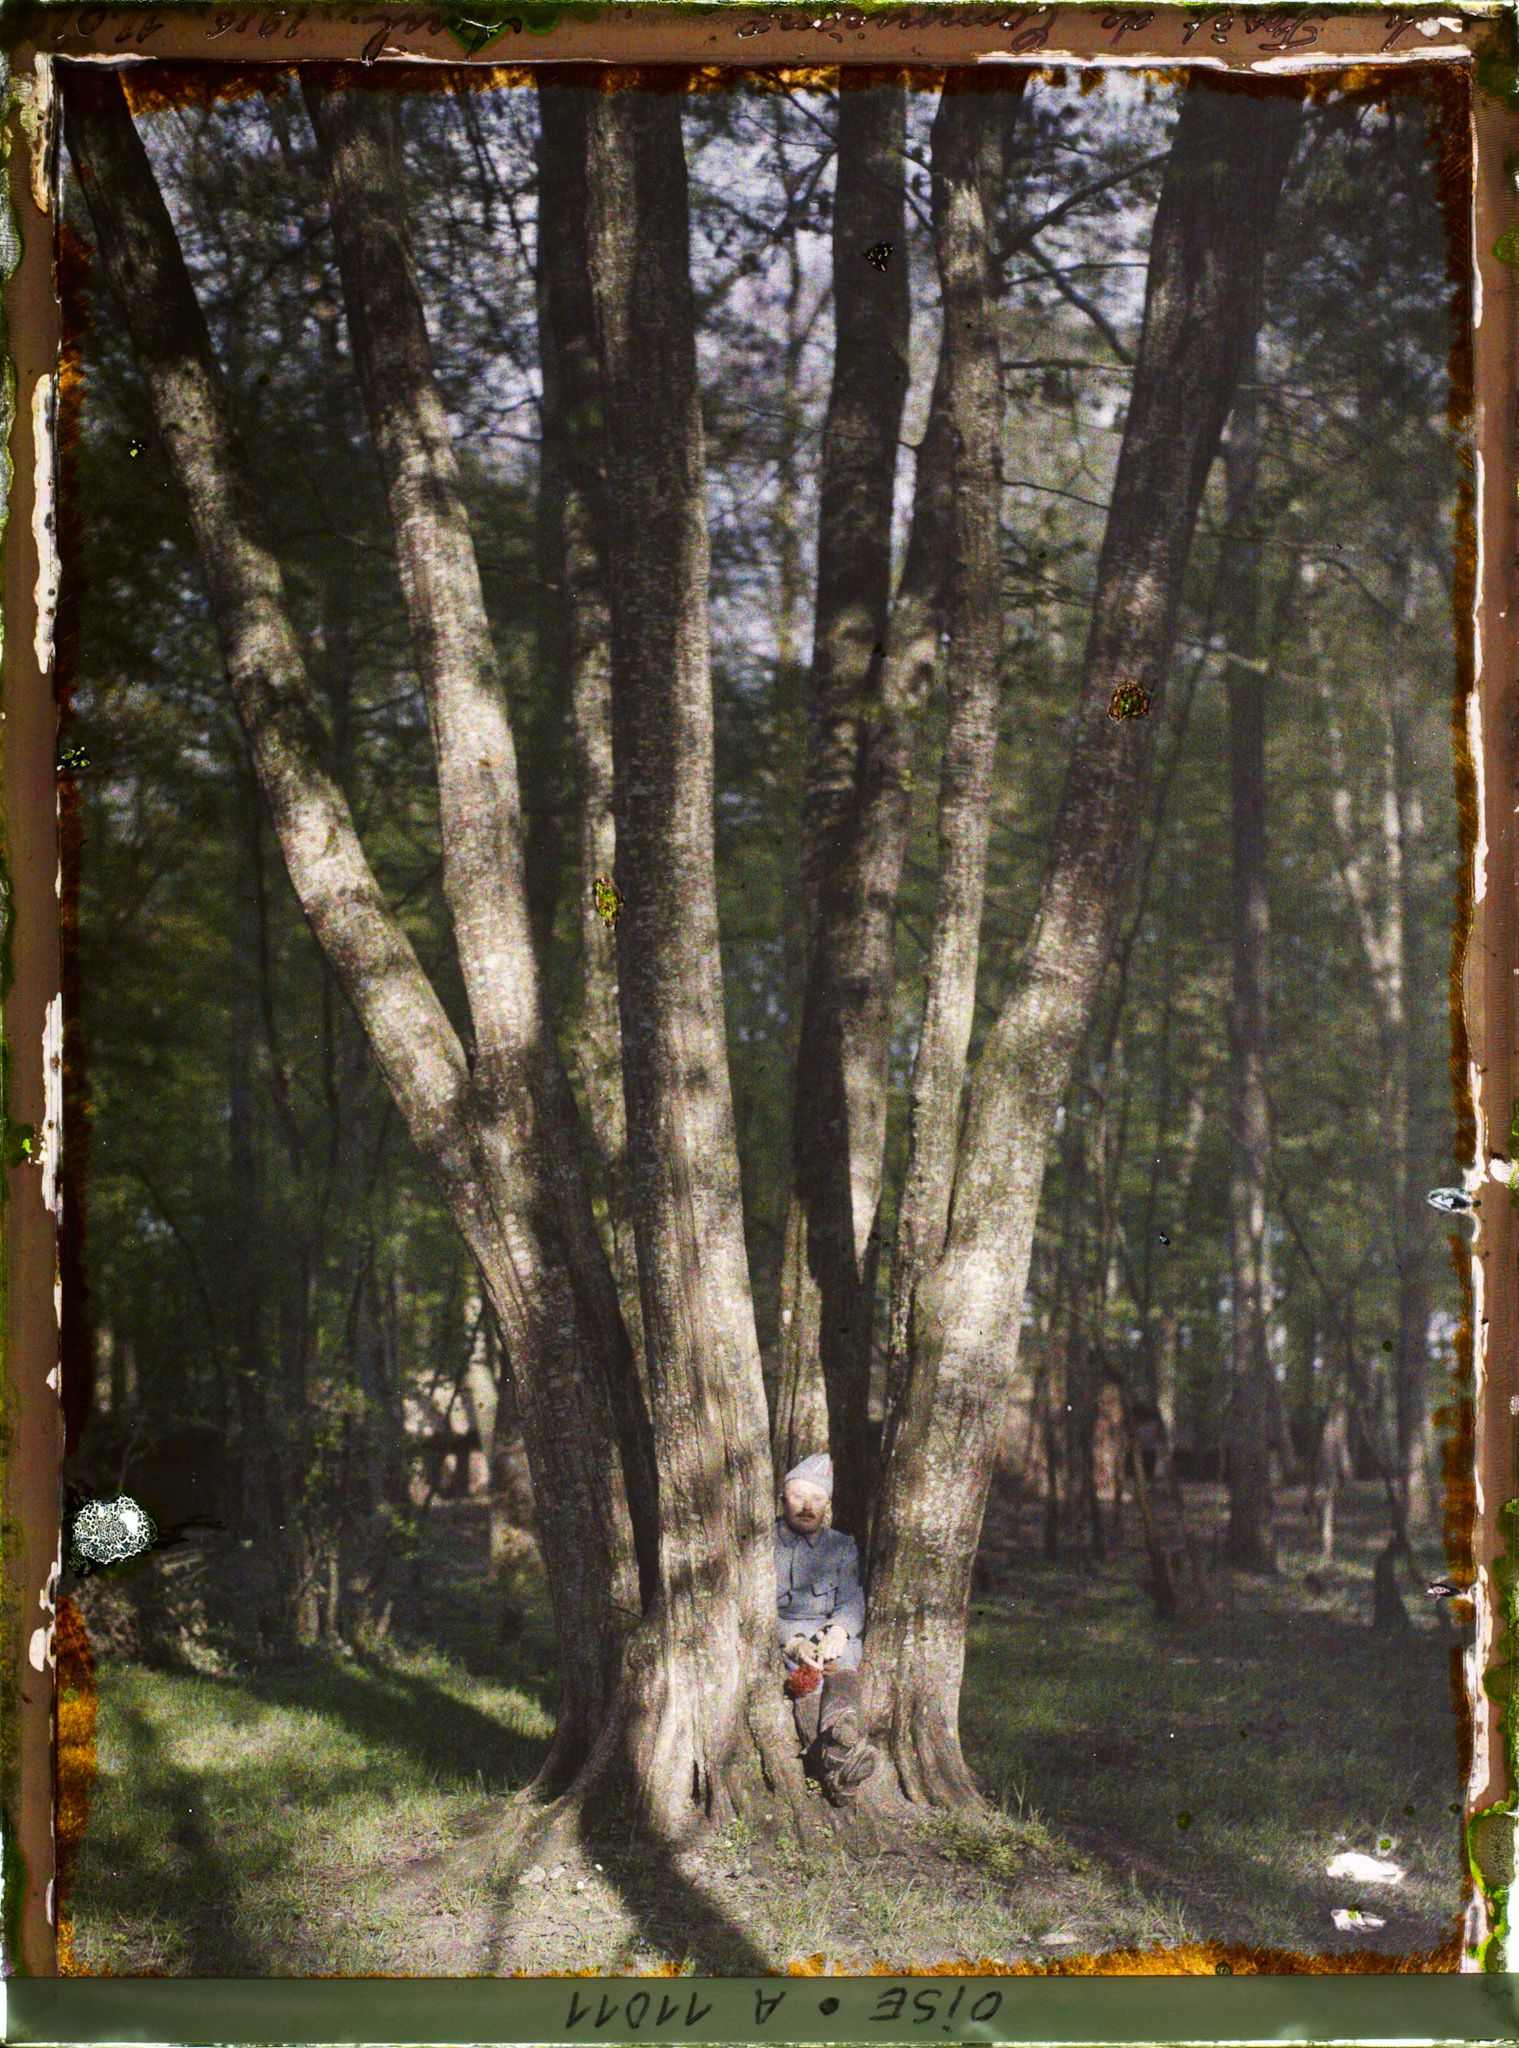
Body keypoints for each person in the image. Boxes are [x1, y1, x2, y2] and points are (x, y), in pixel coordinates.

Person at [775, 1451, 879, 1804]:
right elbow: (755, 1611)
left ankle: (841, 1733)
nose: (807, 1506)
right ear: (782, 1500)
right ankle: (840, 1771)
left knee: (843, 1666)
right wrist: (793, 1643)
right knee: (807, 1684)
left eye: (817, 1498)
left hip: (830, 1633)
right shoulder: (763, 1544)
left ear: (827, 1504)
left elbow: (851, 1598)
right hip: (788, 1635)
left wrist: (838, 1632)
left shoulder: (841, 1546)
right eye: (798, 1496)